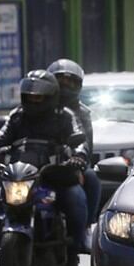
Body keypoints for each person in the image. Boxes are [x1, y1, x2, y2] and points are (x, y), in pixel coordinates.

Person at [0, 70, 90, 266]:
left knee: (76, 199)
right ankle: (0, 253)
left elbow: (79, 138)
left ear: (51, 96)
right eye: (30, 96)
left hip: (53, 176)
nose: (34, 101)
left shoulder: (64, 115)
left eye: (39, 97)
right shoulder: (17, 116)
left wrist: (78, 156)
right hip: (20, 177)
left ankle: (72, 255)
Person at [47, 58, 101, 231]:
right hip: (38, 164)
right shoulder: (38, 106)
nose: (65, 87)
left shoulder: (81, 113)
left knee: (91, 178)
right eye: (60, 82)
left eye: (71, 83)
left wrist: (78, 159)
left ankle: (85, 228)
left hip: (68, 166)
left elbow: (85, 143)